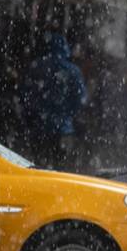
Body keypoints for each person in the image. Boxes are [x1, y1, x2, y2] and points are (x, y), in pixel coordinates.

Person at [20, 31, 87, 168]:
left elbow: (25, 96)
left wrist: (32, 117)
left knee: (39, 168)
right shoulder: (73, 71)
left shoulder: (36, 68)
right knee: (61, 169)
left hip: (40, 129)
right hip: (64, 129)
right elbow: (80, 98)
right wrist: (69, 115)